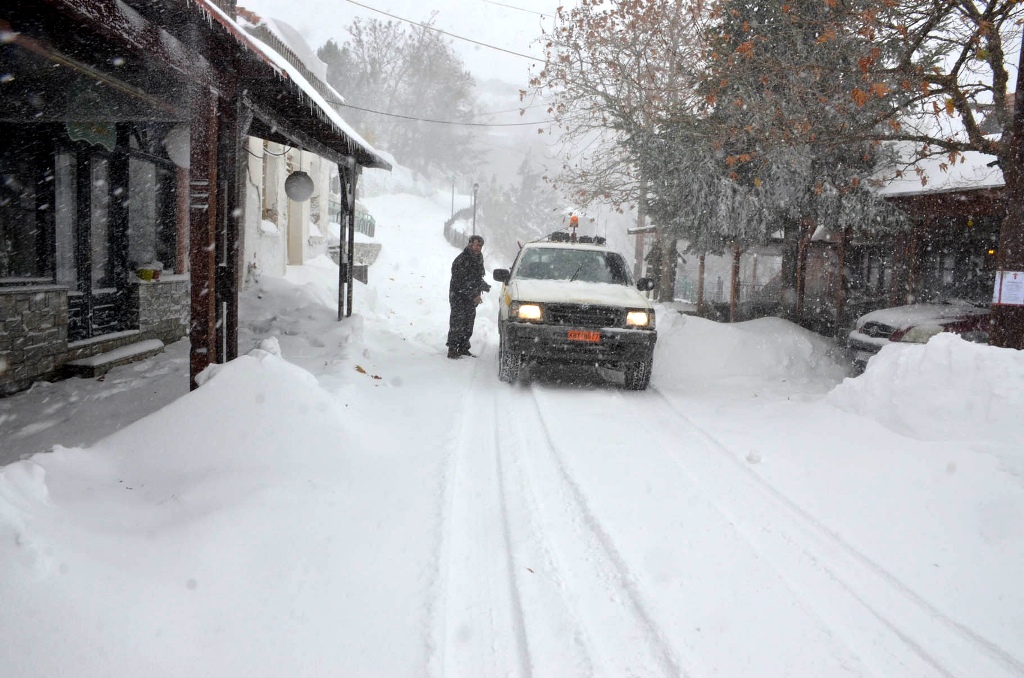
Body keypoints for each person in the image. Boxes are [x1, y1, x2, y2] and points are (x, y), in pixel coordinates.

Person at [447, 235, 490, 359]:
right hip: (458, 296)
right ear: (470, 244)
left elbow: (475, 277)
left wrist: (483, 286)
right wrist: (474, 295)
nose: (478, 248)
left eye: (480, 246)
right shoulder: (461, 259)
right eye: (476, 245)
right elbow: (460, 281)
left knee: (468, 323)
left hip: (470, 297)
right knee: (457, 322)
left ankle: (463, 347)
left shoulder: (478, 258)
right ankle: (453, 349)